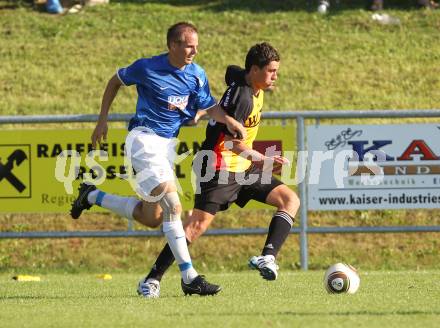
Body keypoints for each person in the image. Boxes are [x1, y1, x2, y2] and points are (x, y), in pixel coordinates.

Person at [70, 22, 246, 297]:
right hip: (142, 140)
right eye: (189, 45)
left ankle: (92, 196)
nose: (195, 51)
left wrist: (229, 119)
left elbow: (210, 106)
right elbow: (115, 81)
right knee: (174, 205)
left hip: (166, 147)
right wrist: (102, 120)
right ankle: (189, 276)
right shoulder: (147, 68)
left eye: (197, 45)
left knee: (152, 216)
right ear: (173, 45)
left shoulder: (196, 75)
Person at [137, 42, 301, 298]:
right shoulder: (244, 98)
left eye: (276, 71)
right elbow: (231, 144)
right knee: (195, 227)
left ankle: (267, 258)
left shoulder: (251, 82)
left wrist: (204, 109)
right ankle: (152, 279)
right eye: (271, 71)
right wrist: (263, 159)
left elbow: (231, 71)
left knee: (289, 200)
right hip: (217, 167)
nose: (275, 76)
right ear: (255, 70)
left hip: (242, 169)